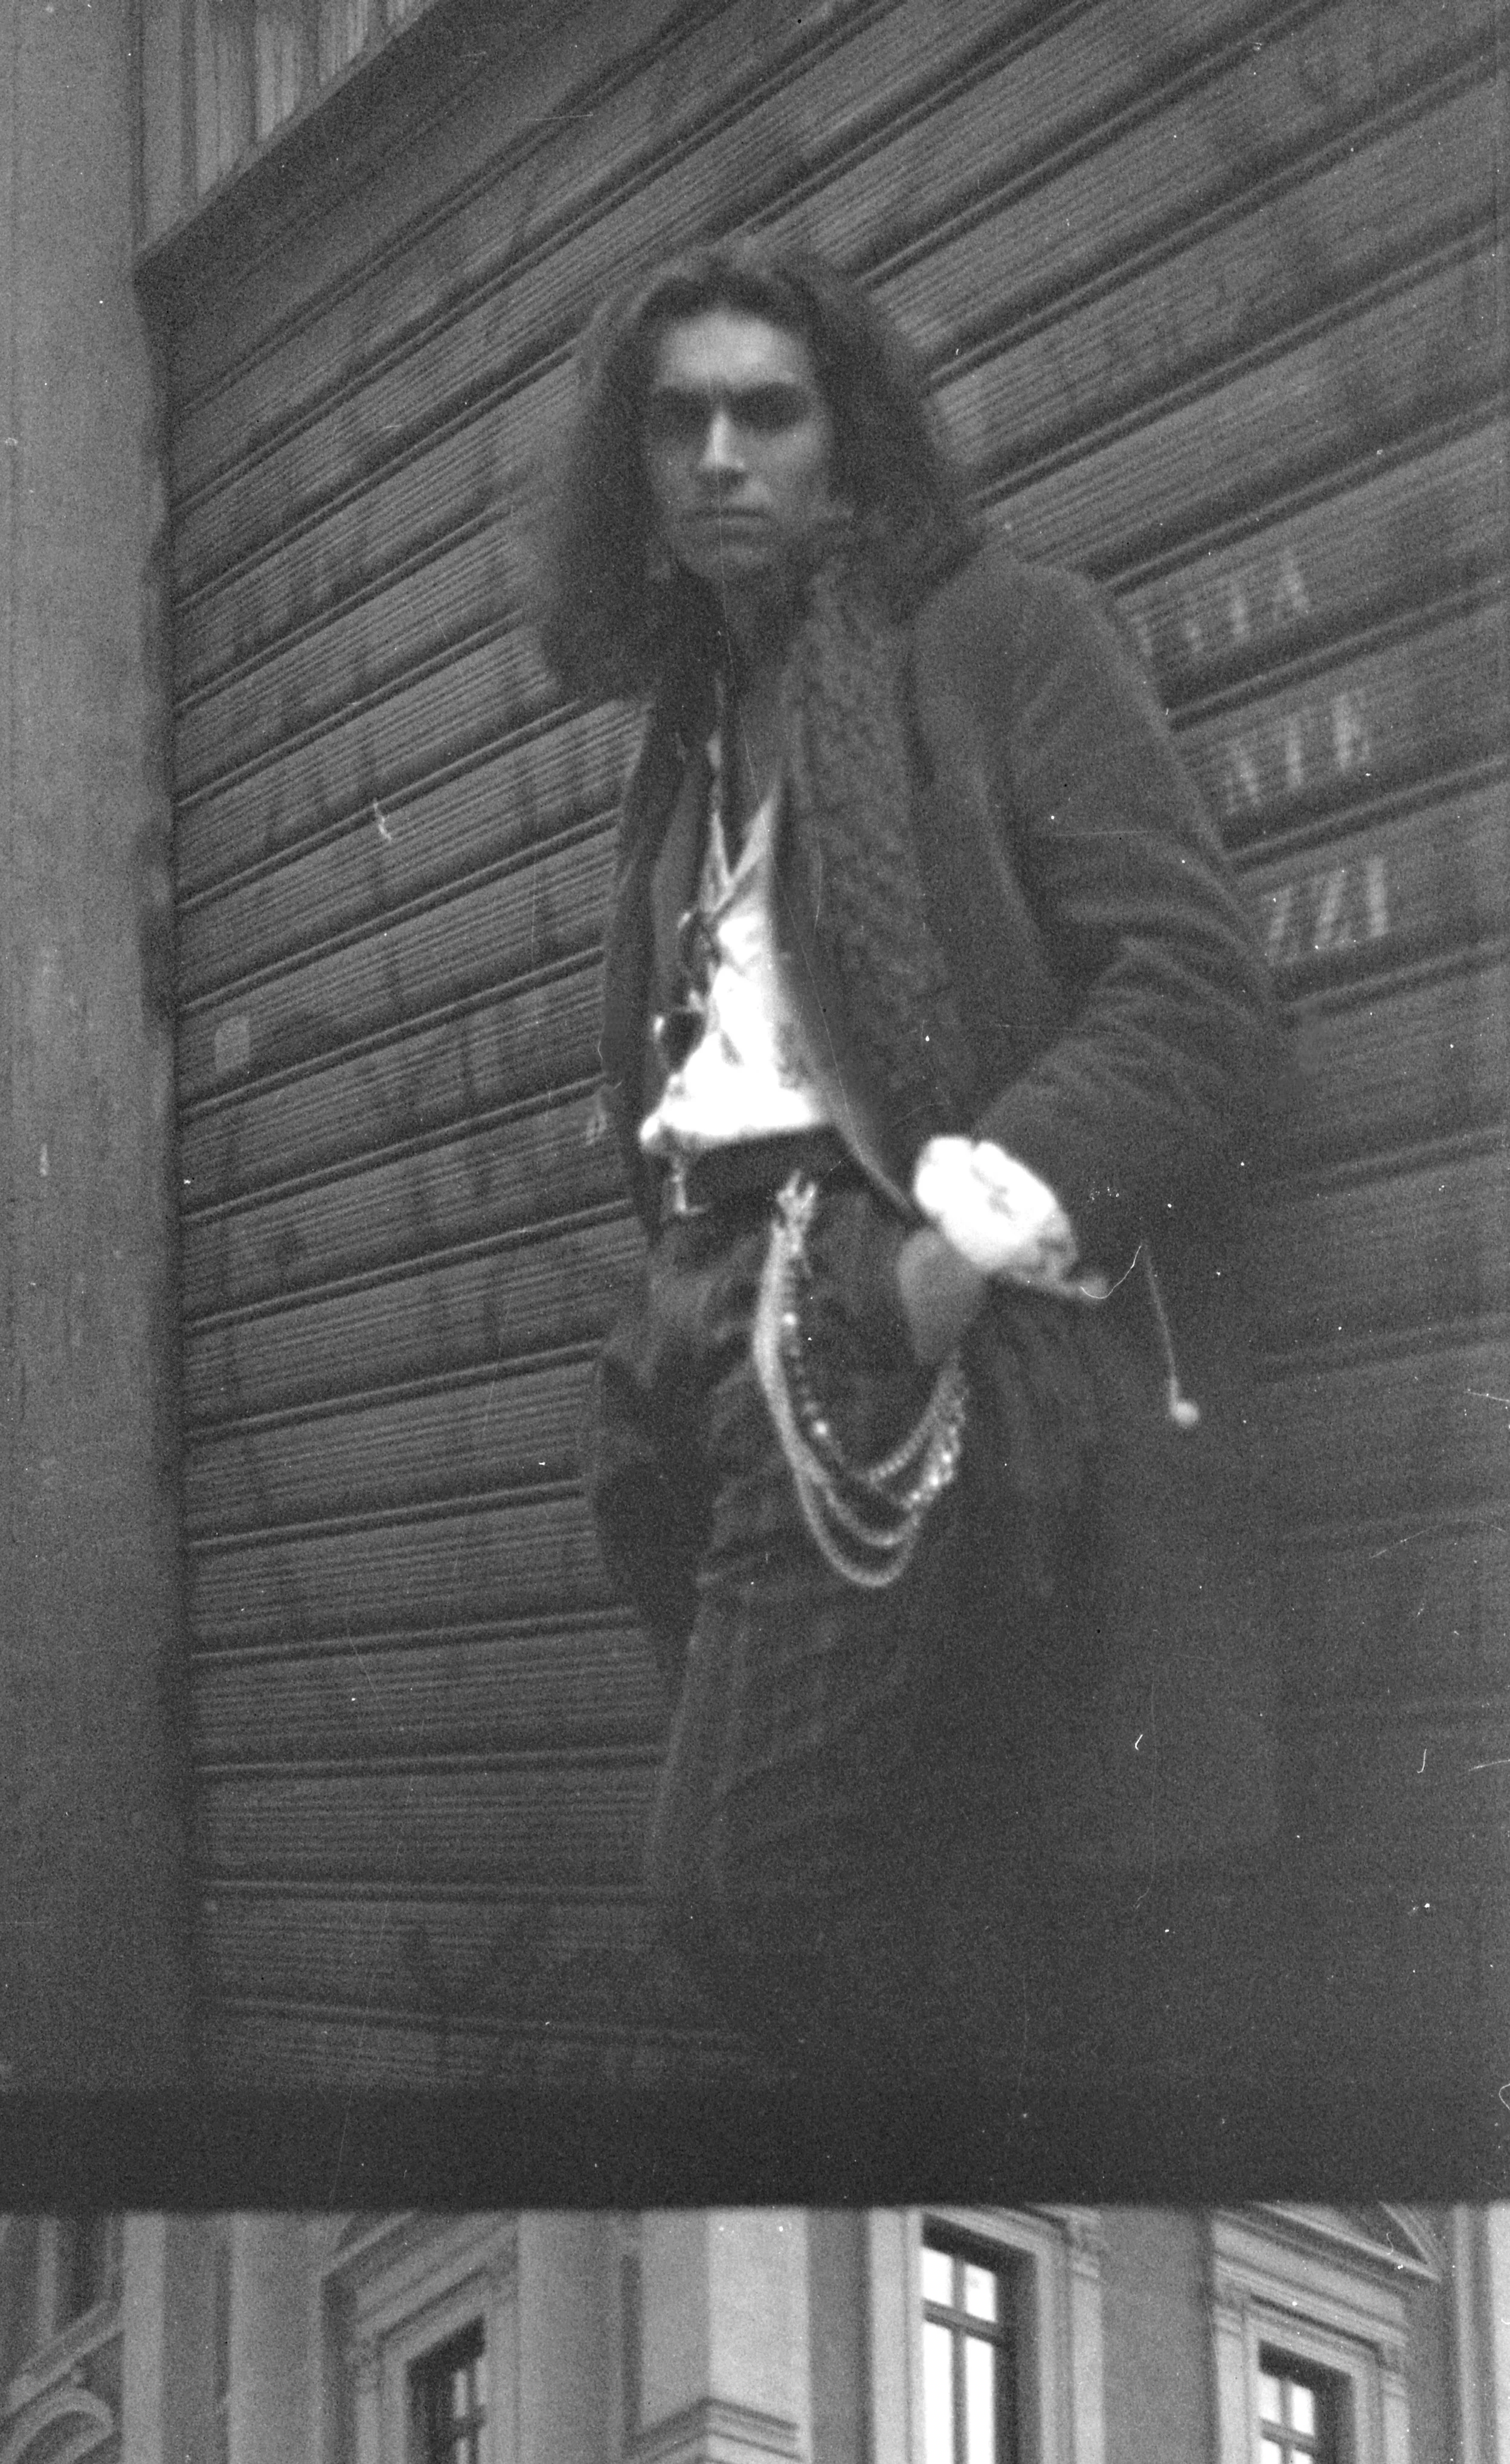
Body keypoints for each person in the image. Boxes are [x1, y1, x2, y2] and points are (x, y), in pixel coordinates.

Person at [536, 239, 1291, 2096]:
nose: (719, 454)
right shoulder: (686, 737)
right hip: (701, 1344)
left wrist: (938, 1260)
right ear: (630, 471)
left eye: (765, 412)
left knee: (744, 1892)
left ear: (845, 439)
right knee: (897, 1874)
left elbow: (1194, 995)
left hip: (881, 1318)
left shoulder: (998, 636)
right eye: (677, 419)